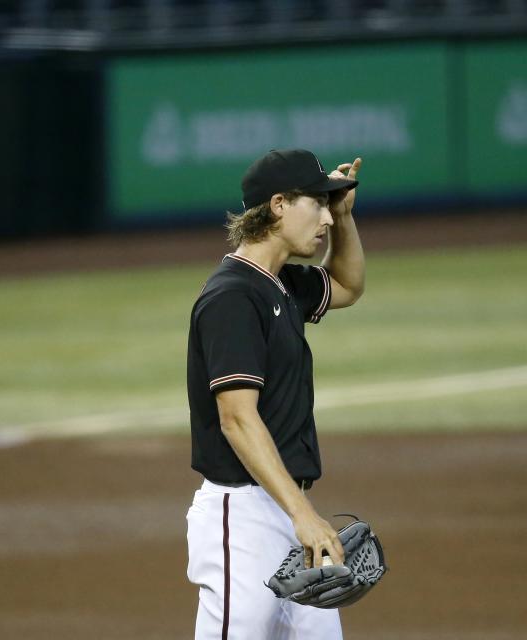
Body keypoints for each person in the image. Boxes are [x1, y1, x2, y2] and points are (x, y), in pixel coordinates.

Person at [185, 149, 364, 638]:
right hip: (243, 519)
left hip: (288, 508)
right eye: (319, 204)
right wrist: (303, 516)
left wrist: (345, 220)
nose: (327, 216)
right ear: (280, 204)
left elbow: (347, 284)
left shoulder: (279, 285)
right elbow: (237, 419)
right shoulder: (232, 298)